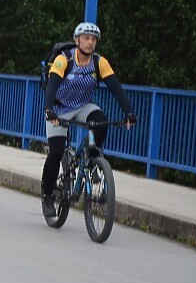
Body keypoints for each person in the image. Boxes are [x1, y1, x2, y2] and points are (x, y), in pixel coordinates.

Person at [41, 22, 137, 218]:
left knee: (101, 121)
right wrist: (49, 110)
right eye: (86, 38)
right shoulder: (63, 59)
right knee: (56, 151)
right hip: (59, 108)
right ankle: (48, 194)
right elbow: (52, 84)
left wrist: (129, 113)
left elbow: (115, 88)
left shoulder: (99, 62)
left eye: (93, 39)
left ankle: (91, 156)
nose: (90, 42)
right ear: (77, 40)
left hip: (83, 106)